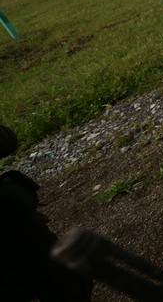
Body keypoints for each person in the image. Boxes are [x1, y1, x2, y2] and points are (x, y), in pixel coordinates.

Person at [0, 124, 93, 301]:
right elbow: (7, 142)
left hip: (17, 227)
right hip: (15, 230)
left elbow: (7, 142)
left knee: (69, 283)